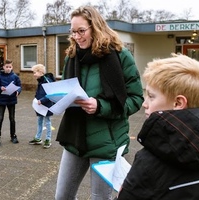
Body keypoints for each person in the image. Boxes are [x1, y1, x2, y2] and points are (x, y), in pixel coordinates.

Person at [55, 6, 144, 200]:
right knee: (62, 196)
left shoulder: (120, 56)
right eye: (73, 31)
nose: (77, 37)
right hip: (75, 137)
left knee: (100, 198)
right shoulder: (71, 56)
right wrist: (49, 100)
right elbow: (66, 90)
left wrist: (100, 106)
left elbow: (136, 99)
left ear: (95, 27)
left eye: (81, 31)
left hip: (107, 142)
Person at [117, 53, 199, 200]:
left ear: (178, 103)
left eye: (151, 96)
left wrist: (125, 192)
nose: (144, 104)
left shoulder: (149, 162)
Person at [0, 59, 22, 147]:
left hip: (12, 100)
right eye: (7, 67)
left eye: (10, 67)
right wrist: (0, 88)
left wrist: (18, 91)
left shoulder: (15, 76)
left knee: (12, 119)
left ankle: (13, 136)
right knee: (0, 118)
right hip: (2, 100)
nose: (8, 68)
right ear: (3, 67)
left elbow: (19, 86)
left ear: (12, 67)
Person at [29, 64, 56, 148]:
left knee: (47, 122)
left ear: (40, 72)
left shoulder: (46, 81)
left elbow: (51, 93)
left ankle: (48, 139)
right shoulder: (41, 80)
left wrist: (42, 100)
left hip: (46, 105)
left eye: (35, 72)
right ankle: (38, 138)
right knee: (39, 121)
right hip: (40, 105)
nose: (34, 74)